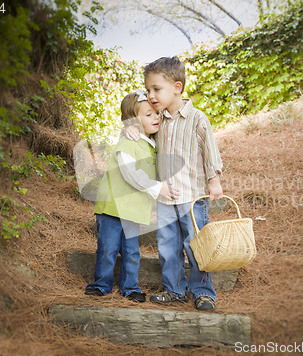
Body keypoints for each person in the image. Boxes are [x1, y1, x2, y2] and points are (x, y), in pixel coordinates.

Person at [126, 57, 223, 311]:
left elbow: (210, 151)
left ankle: (203, 292)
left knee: (197, 246)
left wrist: (214, 179)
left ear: (177, 88)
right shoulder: (157, 120)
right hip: (166, 198)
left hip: (192, 197)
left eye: (156, 89)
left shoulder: (197, 119)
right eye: (148, 90)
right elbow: (140, 131)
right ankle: (175, 289)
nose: (151, 95)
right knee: (168, 247)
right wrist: (130, 130)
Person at [85, 89, 179, 302]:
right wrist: (158, 188)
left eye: (157, 113)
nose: (156, 117)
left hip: (133, 209)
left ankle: (130, 287)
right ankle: (101, 284)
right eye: (148, 114)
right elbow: (131, 174)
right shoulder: (128, 142)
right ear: (133, 123)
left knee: (131, 251)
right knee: (108, 248)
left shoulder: (152, 144)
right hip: (113, 206)